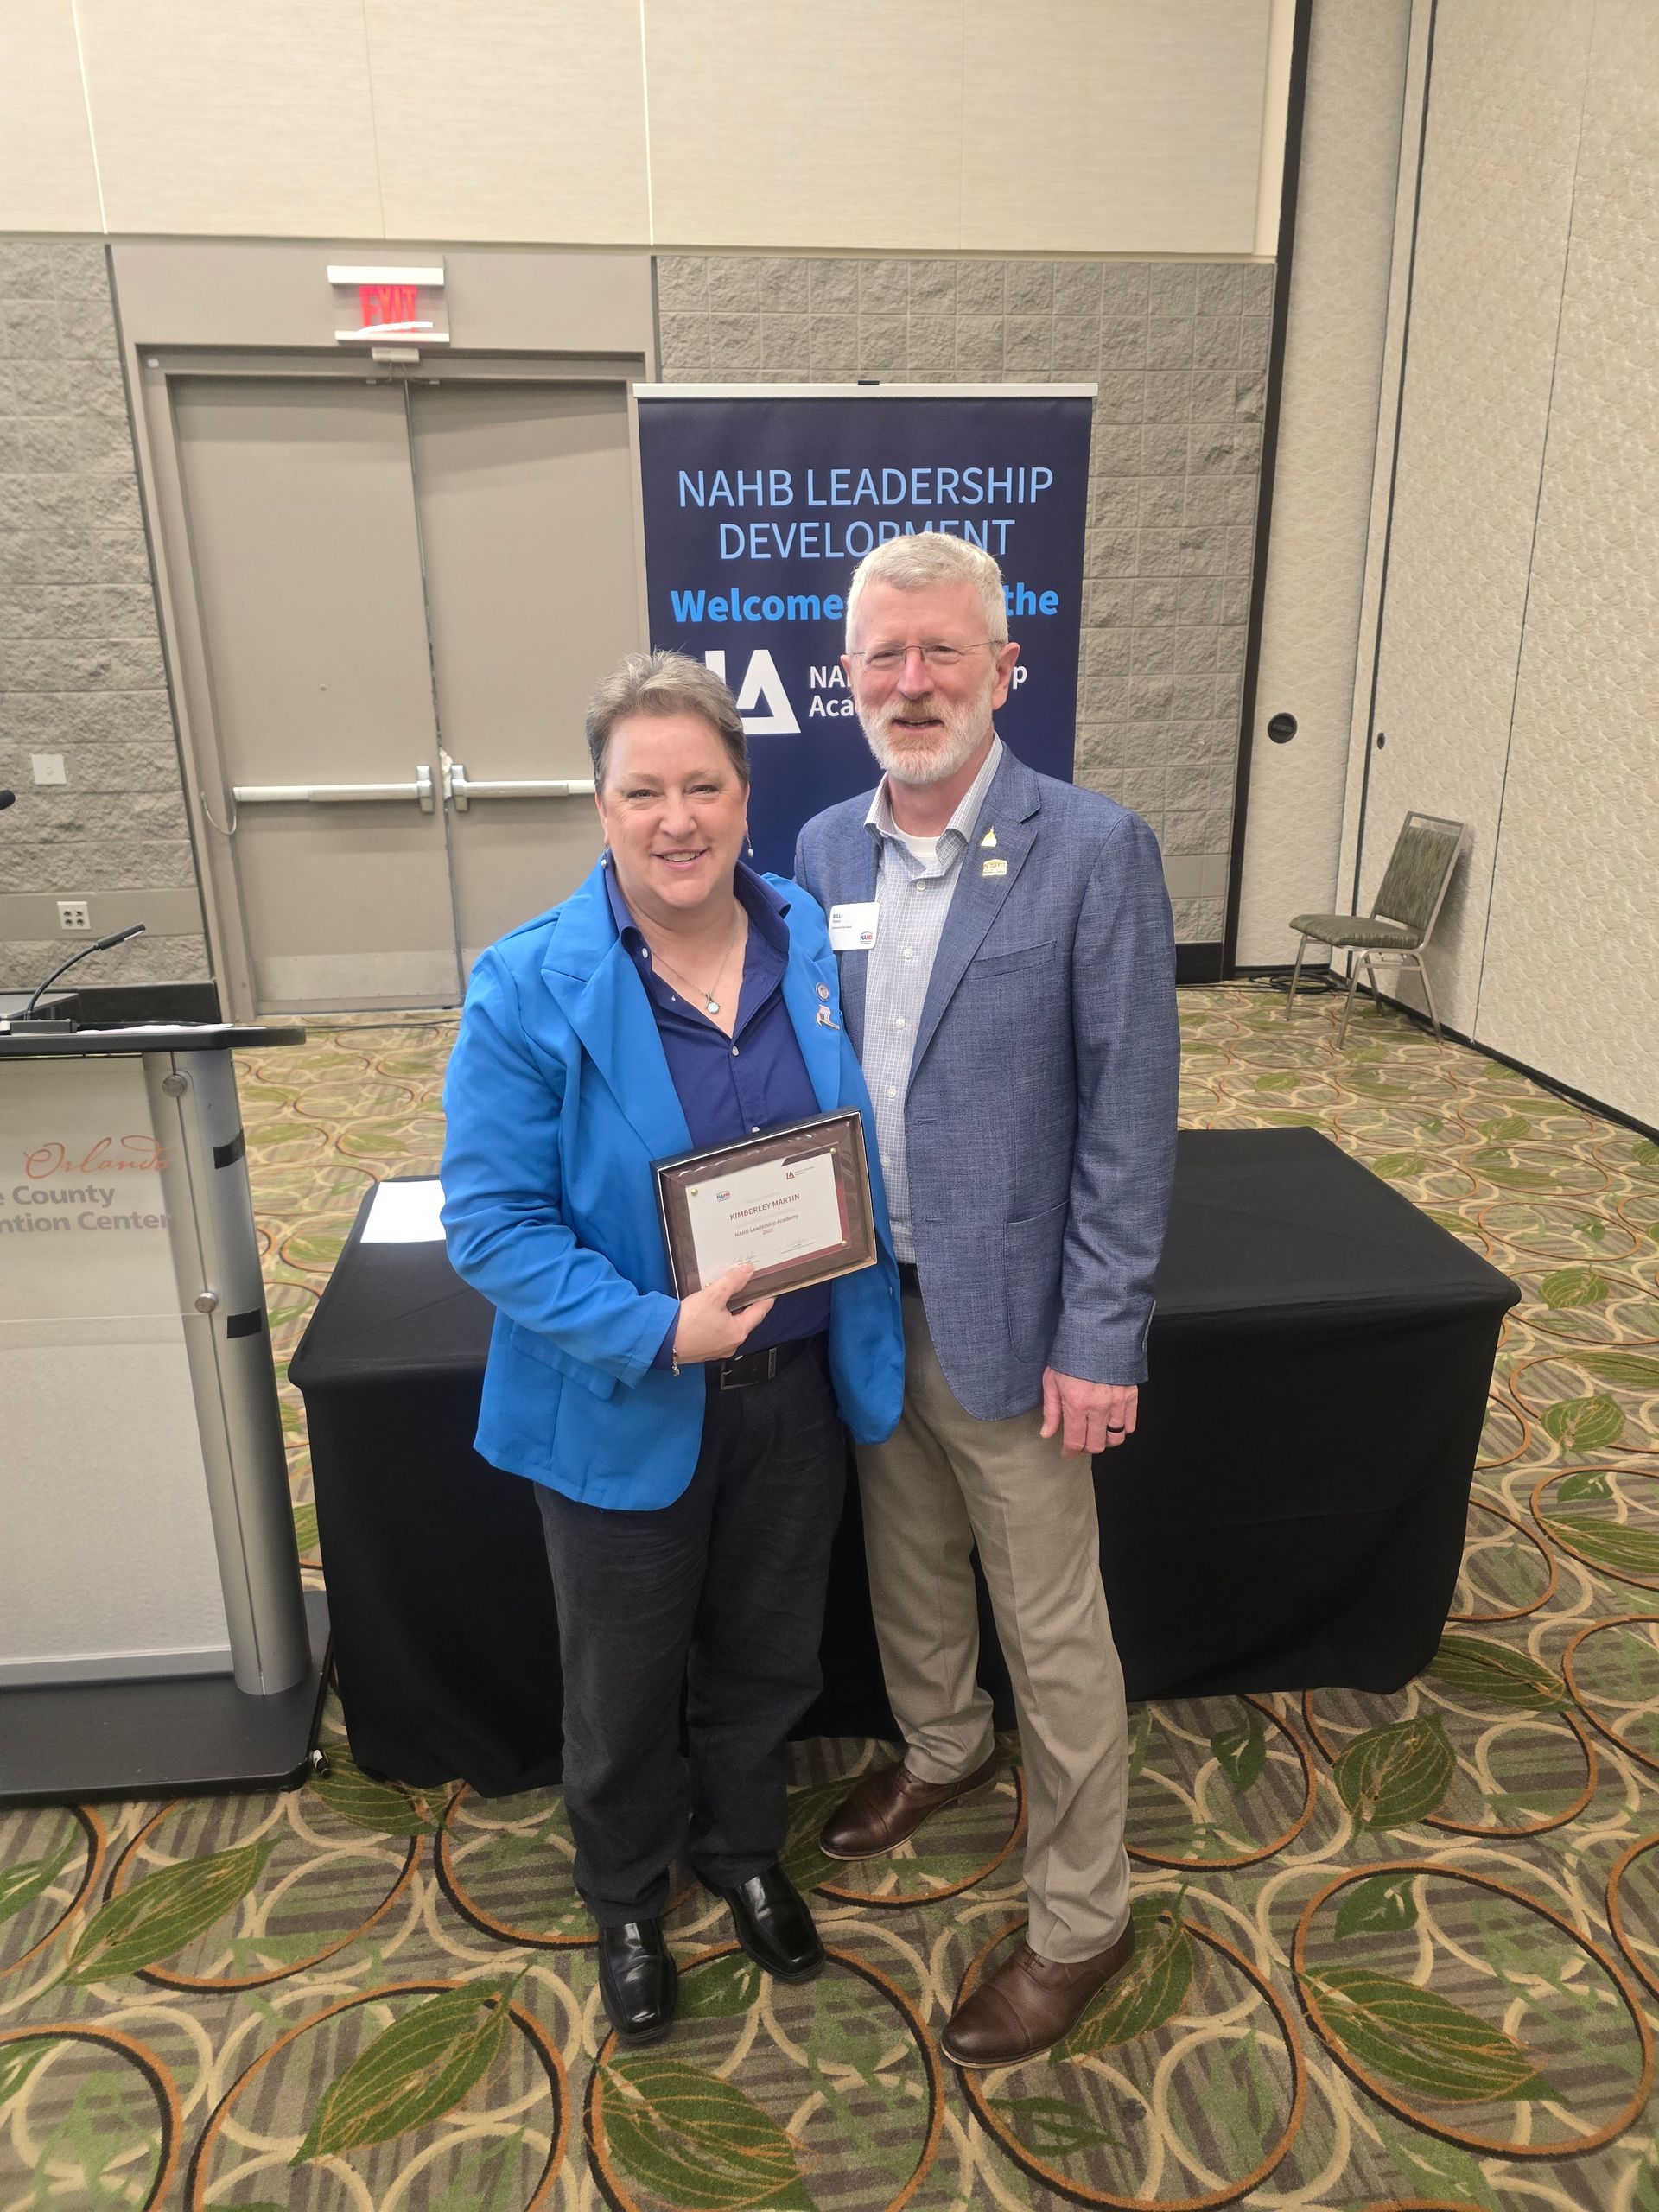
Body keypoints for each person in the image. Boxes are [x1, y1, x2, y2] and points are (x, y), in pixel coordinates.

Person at [440, 650, 903, 2048]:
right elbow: (492, 1225)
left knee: (768, 1653)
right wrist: (659, 1328)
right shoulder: (530, 984)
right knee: (625, 1675)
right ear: (601, 807)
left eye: (703, 784)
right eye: (643, 791)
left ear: (746, 796)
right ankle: (626, 1891)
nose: (676, 817)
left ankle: (745, 1848)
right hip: (623, 1396)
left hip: (796, 1392)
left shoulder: (809, 940)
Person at [794, 533, 1179, 2067]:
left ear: (1005, 668)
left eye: (941, 653)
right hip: (863, 1295)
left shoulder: (1094, 849)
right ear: (847, 679)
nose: (911, 683)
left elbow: (1129, 1119)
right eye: (883, 658)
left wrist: (1102, 1333)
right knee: (906, 1554)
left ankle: (1083, 1917)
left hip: (1017, 1313)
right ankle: (944, 1747)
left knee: (1054, 1620)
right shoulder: (822, 848)